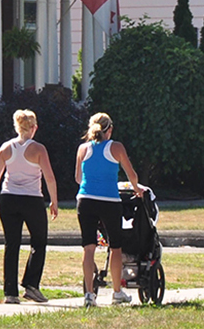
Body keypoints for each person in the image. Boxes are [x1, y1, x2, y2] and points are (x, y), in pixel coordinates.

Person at [0, 109, 59, 304]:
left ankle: (10, 292)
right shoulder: (38, 149)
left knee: (12, 244)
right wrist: (54, 201)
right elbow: (50, 177)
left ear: (17, 127)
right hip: (32, 199)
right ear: (34, 128)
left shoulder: (5, 148)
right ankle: (31, 284)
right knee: (39, 241)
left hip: (8, 198)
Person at [74, 112, 143, 307]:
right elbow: (132, 175)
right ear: (109, 129)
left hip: (85, 200)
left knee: (88, 248)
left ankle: (88, 294)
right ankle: (117, 292)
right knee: (115, 247)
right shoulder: (116, 147)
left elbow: (78, 178)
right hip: (109, 201)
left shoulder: (83, 148)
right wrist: (137, 190)